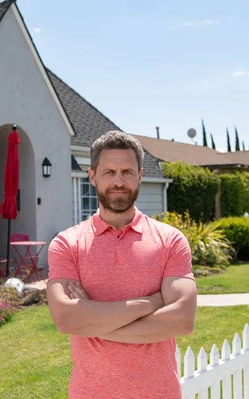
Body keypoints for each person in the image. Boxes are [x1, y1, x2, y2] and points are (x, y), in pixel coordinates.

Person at [47, 130, 197, 399]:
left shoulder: (170, 240)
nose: (119, 181)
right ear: (92, 176)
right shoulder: (67, 244)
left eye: (127, 172)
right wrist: (150, 304)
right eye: (109, 172)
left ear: (140, 175)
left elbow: (183, 320)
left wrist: (93, 321)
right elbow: (66, 319)